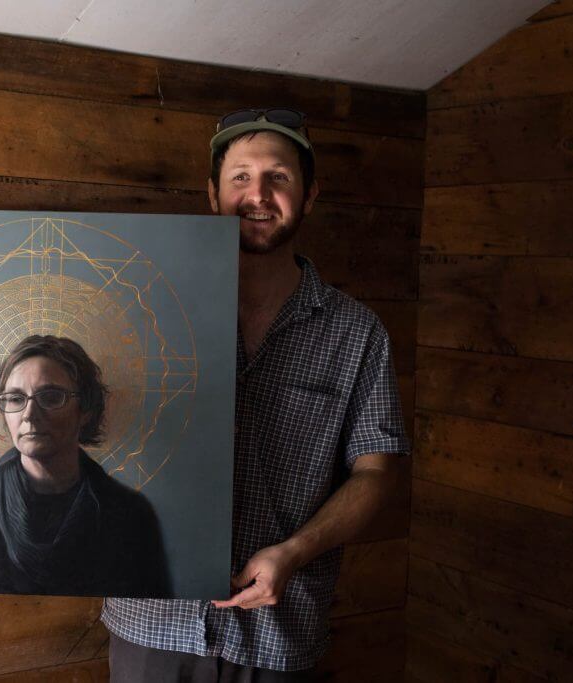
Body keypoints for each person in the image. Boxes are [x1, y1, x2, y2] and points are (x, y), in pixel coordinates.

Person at [101, 108, 410, 680]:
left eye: (279, 177)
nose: (258, 194)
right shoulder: (141, 313)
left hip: (277, 630)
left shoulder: (357, 332)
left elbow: (376, 473)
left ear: (309, 195)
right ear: (213, 194)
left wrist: (293, 553)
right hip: (153, 620)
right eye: (240, 176)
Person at [0, 334, 172, 598]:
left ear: (85, 409)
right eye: (15, 399)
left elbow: (156, 619)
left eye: (50, 397)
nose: (29, 415)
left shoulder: (130, 514)